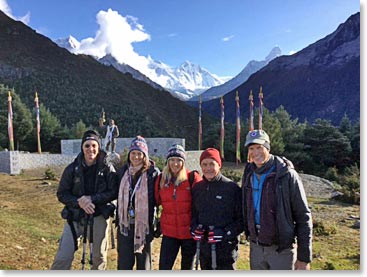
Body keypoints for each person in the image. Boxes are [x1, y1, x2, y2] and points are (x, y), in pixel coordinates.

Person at [241, 129, 312, 270]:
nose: (255, 153)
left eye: (259, 147)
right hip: (256, 247)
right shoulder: (248, 173)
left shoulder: (287, 175)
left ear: (268, 147)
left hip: (281, 250)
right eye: (251, 148)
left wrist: (304, 258)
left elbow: (303, 216)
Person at [51, 130, 118, 270]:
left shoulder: (107, 169)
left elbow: (113, 192)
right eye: (87, 145)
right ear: (82, 147)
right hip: (75, 216)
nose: (90, 149)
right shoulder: (72, 169)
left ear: (99, 147)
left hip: (99, 215)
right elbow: (62, 193)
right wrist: (79, 202)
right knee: (63, 256)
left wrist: (91, 199)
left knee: (99, 259)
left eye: (94, 145)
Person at [191, 148, 243, 270]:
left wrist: (225, 233)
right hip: (204, 249)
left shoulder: (231, 188)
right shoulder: (197, 188)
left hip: (226, 251)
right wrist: (194, 228)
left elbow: (242, 220)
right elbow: (194, 214)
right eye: (204, 164)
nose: (208, 168)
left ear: (219, 165)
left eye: (212, 164)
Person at [115, 136, 160, 270]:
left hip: (144, 226)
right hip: (125, 225)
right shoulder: (122, 172)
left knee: (144, 265)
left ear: (145, 155)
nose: (136, 157)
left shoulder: (153, 173)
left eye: (139, 153)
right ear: (129, 155)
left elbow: (159, 199)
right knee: (124, 264)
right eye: (133, 153)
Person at [154, 144, 202, 270]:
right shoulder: (161, 180)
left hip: (189, 233)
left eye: (179, 160)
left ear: (183, 162)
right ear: (168, 162)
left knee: (187, 268)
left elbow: (201, 204)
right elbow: (156, 201)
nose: (175, 164)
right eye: (172, 160)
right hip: (169, 232)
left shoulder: (192, 178)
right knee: (164, 267)